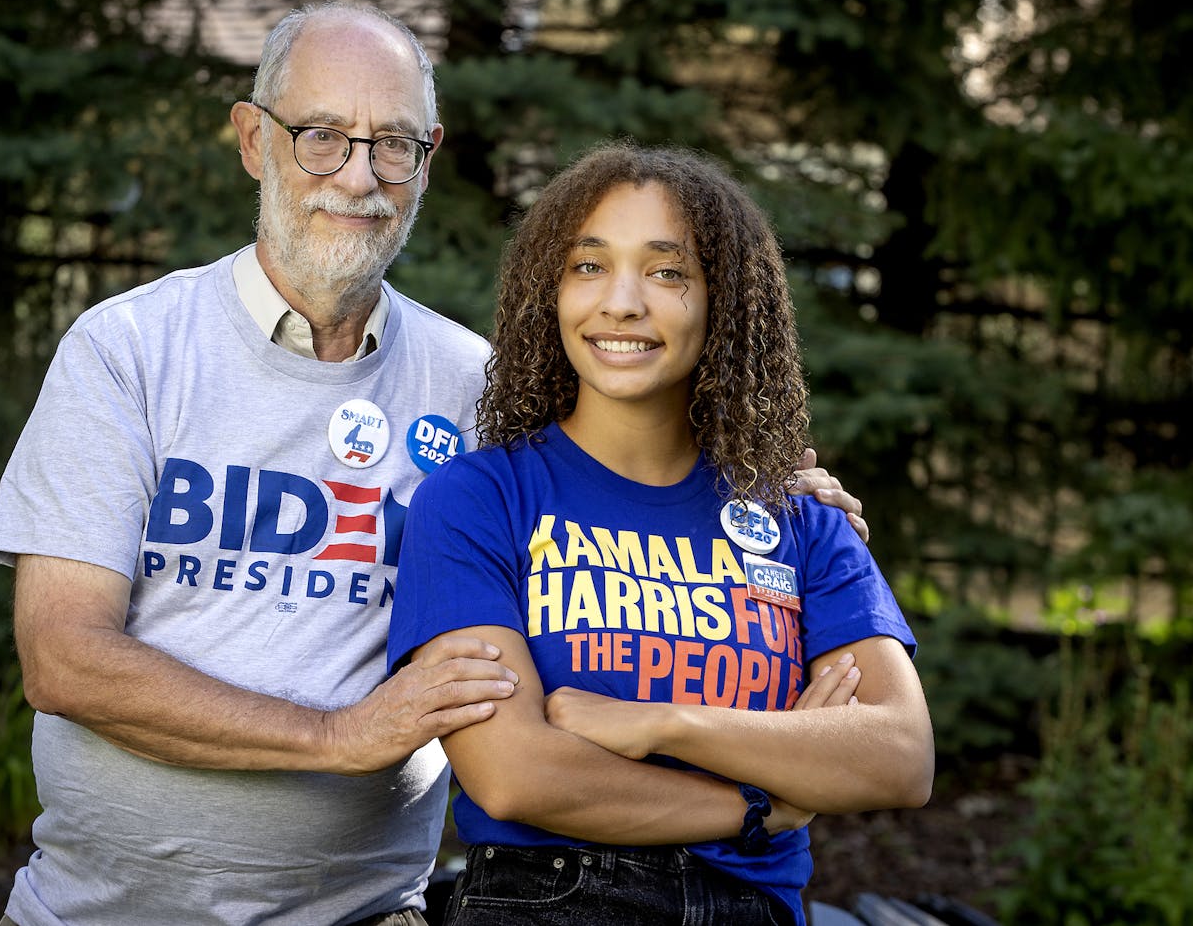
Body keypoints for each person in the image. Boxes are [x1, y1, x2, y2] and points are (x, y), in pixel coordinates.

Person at [0, 1, 867, 926]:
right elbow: (65, 659)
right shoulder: (128, 349)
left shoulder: (477, 383)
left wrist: (768, 491)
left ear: (428, 156)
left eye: (393, 144)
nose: (358, 177)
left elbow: (636, 467)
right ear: (253, 139)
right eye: (321, 135)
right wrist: (337, 735)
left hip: (368, 915)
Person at [386, 142, 933, 926]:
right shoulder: (478, 498)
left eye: (667, 271)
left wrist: (661, 724)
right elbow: (514, 774)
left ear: (724, 300)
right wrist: (764, 799)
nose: (622, 301)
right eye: (588, 266)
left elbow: (900, 754)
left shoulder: (802, 520)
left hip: (756, 907)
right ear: (552, 291)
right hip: (548, 901)